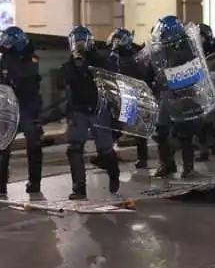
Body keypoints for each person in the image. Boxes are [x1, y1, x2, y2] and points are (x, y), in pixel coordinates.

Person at [60, 26, 120, 200]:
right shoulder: (69, 64)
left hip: (98, 109)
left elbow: (110, 77)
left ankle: (114, 174)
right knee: (74, 148)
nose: (78, 46)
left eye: (81, 42)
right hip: (78, 110)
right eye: (76, 42)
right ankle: (79, 188)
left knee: (105, 150)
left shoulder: (99, 60)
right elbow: (63, 82)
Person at [150, 16, 202, 178]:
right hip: (167, 94)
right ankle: (167, 164)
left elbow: (192, 71)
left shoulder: (187, 49)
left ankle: (188, 167)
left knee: (184, 132)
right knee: (161, 131)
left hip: (183, 94)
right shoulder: (162, 49)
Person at [0, 27, 43, 196]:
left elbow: (25, 77)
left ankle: (35, 182)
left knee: (33, 144)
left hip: (28, 106)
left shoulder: (32, 58)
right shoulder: (4, 58)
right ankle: (1, 185)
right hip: (8, 106)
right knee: (3, 146)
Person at [107, 27, 150, 169]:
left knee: (138, 129)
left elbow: (141, 76)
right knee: (115, 126)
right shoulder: (112, 56)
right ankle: (111, 153)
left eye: (118, 39)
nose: (115, 42)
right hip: (117, 96)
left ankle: (142, 158)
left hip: (132, 96)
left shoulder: (134, 56)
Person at [197, 23, 215, 162]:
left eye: (200, 36)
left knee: (208, 123)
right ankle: (208, 149)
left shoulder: (213, 51)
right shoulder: (195, 51)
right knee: (203, 124)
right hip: (200, 91)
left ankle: (212, 146)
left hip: (212, 91)